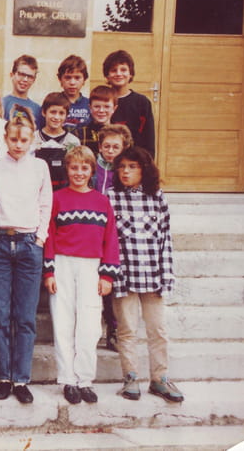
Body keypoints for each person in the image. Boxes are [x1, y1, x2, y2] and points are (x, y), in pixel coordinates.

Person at [43, 146, 120, 405]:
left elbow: (111, 239)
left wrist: (107, 275)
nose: (79, 172)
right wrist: (49, 271)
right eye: (74, 167)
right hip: (63, 263)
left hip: (91, 266)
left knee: (89, 325)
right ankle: (67, 379)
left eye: (84, 168)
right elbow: (49, 236)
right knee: (63, 322)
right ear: (67, 169)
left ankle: (85, 379)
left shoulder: (102, 201)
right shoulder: (57, 198)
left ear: (92, 171)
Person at [108, 146, 183, 403]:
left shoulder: (157, 197)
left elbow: (165, 238)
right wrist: (111, 273)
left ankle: (159, 379)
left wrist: (166, 274)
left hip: (152, 274)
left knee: (157, 329)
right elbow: (108, 240)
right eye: (122, 167)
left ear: (144, 169)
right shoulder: (111, 197)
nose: (126, 172)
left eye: (132, 167)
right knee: (127, 329)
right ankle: (130, 377)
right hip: (124, 275)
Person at [0, 107, 51, 404]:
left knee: (25, 317)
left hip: (28, 245)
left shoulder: (39, 167)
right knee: (1, 314)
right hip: (0, 244)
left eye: (24, 140)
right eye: (13, 139)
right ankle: (4, 376)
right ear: (6, 138)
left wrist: (39, 238)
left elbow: (46, 203)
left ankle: (21, 379)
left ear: (32, 139)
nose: (18, 145)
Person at [93, 124, 133, 353]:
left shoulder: (125, 172)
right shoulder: (93, 168)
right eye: (106, 146)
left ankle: (114, 330)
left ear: (124, 148)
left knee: (112, 283)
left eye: (115, 147)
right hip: (92, 232)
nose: (110, 151)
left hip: (116, 234)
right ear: (99, 146)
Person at [103, 49, 156, 157]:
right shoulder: (101, 100)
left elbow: (149, 139)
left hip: (133, 160)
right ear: (107, 75)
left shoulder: (142, 103)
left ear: (130, 74)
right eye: (114, 70)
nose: (118, 74)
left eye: (123, 70)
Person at [33, 92, 81, 192]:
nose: (56, 117)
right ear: (44, 112)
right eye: (53, 112)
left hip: (65, 191)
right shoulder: (33, 138)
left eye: (61, 113)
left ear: (67, 115)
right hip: (37, 190)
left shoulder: (73, 142)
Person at [52, 54, 91, 131]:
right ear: (60, 79)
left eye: (77, 78)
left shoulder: (89, 105)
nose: (72, 82)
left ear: (84, 80)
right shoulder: (52, 103)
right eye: (68, 77)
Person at [76, 85, 118, 155]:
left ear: (114, 108)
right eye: (97, 106)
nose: (101, 110)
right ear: (90, 108)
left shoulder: (120, 134)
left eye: (107, 106)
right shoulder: (80, 133)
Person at [2, 55, 41, 126]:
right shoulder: (2, 104)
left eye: (30, 76)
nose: (25, 79)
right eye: (21, 74)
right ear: (12, 75)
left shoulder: (38, 109)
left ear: (34, 80)